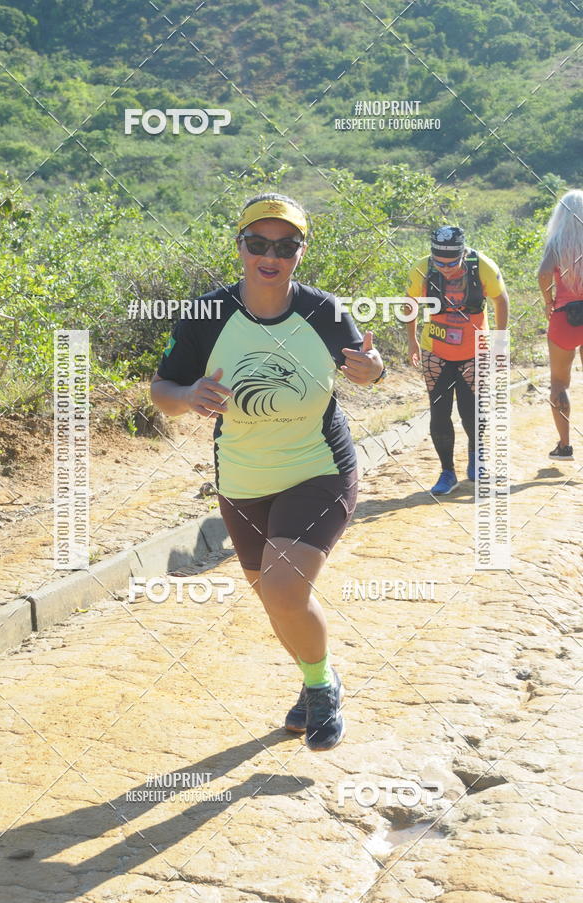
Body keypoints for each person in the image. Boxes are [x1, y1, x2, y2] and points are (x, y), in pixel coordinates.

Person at [150, 193, 385, 751]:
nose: (270, 255)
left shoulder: (324, 312)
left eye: (285, 245)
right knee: (277, 600)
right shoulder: (208, 314)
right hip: (242, 479)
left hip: (318, 468)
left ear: (301, 252)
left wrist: (372, 371)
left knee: (284, 587)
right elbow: (162, 392)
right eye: (258, 243)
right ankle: (312, 682)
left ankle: (324, 689)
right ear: (240, 247)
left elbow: (365, 371)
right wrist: (188, 394)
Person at [405, 226, 509, 494]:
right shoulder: (423, 268)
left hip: (475, 350)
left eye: (451, 263)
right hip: (435, 351)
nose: (445, 269)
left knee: (471, 410)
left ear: (463, 254)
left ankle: (477, 459)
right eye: (439, 263)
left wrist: (499, 341)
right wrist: (412, 340)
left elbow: (501, 299)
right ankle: (447, 472)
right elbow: (410, 303)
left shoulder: (482, 266)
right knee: (439, 413)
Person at [537, 189, 583, 460]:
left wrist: (548, 300)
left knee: (559, 382)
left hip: (564, 316)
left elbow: (543, 273)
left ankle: (564, 446)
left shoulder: (556, 242)